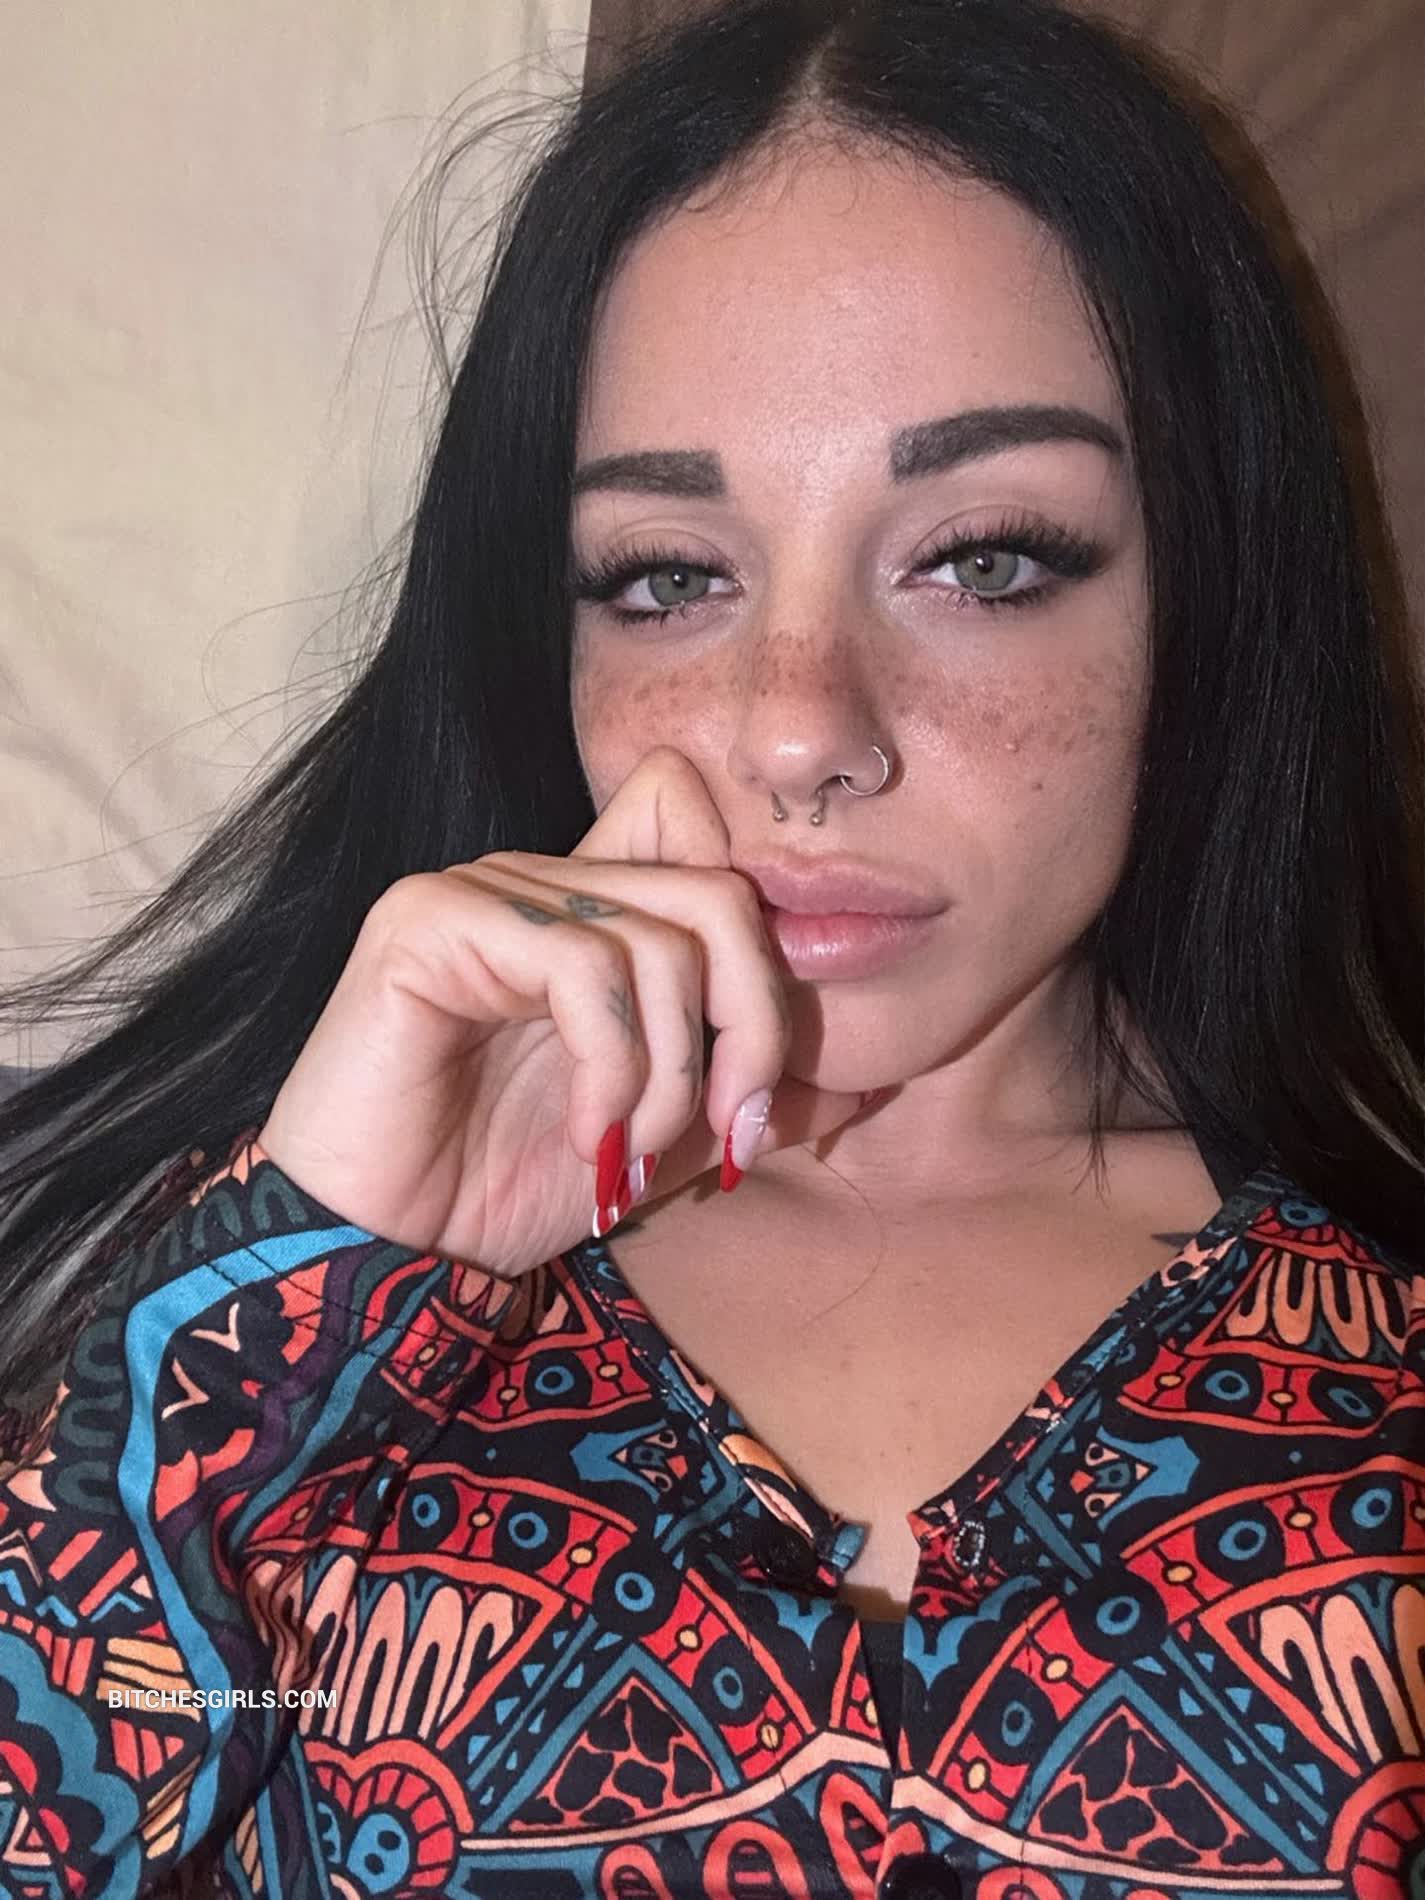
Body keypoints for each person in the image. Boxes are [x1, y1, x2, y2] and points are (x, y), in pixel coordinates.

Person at [0, 0, 1420, 1893]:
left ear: (1205, 590)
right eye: (667, 578)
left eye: (984, 556)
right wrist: (284, 1297)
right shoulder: (245, 1286)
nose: (797, 728)